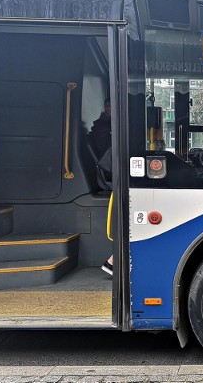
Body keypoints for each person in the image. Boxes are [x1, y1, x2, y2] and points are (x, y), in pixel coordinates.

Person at [88, 98, 115, 276]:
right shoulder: (104, 128)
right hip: (110, 175)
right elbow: (110, 158)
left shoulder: (105, 125)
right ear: (108, 108)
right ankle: (113, 261)